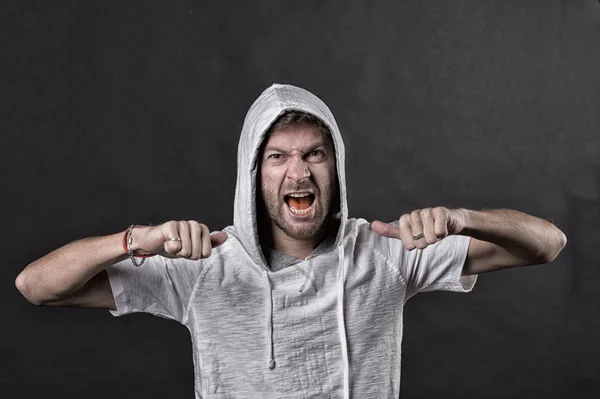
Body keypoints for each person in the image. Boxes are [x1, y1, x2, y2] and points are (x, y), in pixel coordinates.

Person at [16, 84, 567, 399]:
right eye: (277, 157)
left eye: (314, 154)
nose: (297, 172)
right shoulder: (205, 265)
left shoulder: (385, 254)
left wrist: (461, 217)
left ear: (335, 169)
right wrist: (136, 239)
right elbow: (37, 286)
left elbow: (547, 243)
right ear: (254, 176)